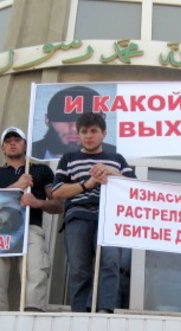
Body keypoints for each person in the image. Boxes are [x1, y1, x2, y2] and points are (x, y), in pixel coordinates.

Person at [53, 112, 135, 313]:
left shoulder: (116, 159)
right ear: (79, 135)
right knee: (79, 268)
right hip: (78, 216)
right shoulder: (69, 158)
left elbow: (135, 189)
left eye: (93, 131)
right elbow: (57, 192)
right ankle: (80, 313)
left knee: (110, 263)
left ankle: (105, 309)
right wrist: (86, 184)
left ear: (103, 133)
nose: (89, 135)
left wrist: (112, 172)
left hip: (109, 217)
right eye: (84, 131)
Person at [0, 126, 62, 311]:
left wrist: (38, 203)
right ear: (2, 148)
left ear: (25, 144)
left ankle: (33, 319)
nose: (12, 143)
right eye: (8, 141)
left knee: (36, 272)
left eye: (17, 140)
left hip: (30, 226)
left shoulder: (41, 170)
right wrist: (18, 186)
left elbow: (58, 205)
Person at [32, 86, 116, 159]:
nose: (74, 128)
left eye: (85, 121)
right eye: (64, 119)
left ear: (102, 120)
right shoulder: (31, 152)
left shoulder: (115, 154)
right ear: (47, 120)